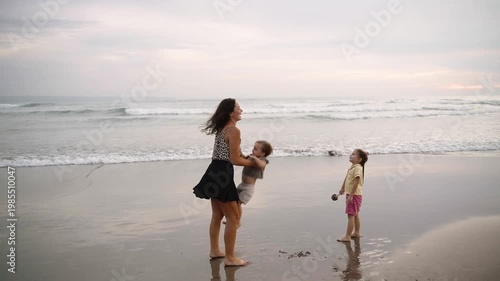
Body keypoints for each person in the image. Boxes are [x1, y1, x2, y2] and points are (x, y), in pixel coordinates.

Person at [193, 98, 254, 267]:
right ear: (230, 112)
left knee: (217, 216)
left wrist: (248, 158)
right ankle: (230, 258)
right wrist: (253, 163)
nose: (241, 110)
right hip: (222, 174)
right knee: (233, 218)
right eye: (238, 108)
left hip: (214, 170)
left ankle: (214, 251)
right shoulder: (234, 130)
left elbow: (231, 155)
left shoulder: (222, 129)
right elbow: (234, 159)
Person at [225, 140, 272, 227]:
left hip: (248, 188)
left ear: (262, 154)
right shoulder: (251, 157)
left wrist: (255, 158)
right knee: (233, 201)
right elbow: (242, 158)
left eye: (255, 149)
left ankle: (237, 221)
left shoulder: (263, 160)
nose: (252, 150)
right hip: (242, 185)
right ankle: (232, 218)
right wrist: (238, 149)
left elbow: (261, 165)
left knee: (238, 203)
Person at [337, 149, 368, 242]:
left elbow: (356, 181)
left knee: (350, 215)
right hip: (353, 194)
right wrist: (342, 188)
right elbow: (347, 178)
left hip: (353, 195)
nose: (351, 155)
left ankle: (347, 236)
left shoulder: (357, 168)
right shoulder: (352, 167)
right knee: (355, 214)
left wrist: (351, 196)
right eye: (351, 153)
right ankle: (357, 233)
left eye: (353, 154)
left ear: (359, 159)